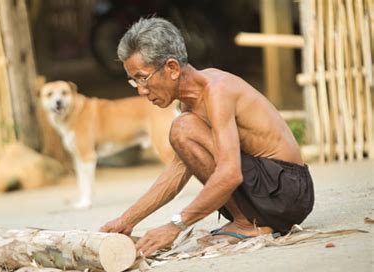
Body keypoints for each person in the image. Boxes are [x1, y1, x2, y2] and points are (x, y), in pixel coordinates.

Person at [99, 17, 314, 257]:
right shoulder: (189, 104)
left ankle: (247, 224)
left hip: (288, 192)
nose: (141, 90)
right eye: (134, 81)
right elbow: (177, 171)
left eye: (143, 77)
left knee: (182, 128)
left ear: (172, 68)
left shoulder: (217, 91)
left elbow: (230, 173)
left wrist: (175, 226)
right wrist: (127, 220)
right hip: (271, 192)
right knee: (183, 129)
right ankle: (248, 221)